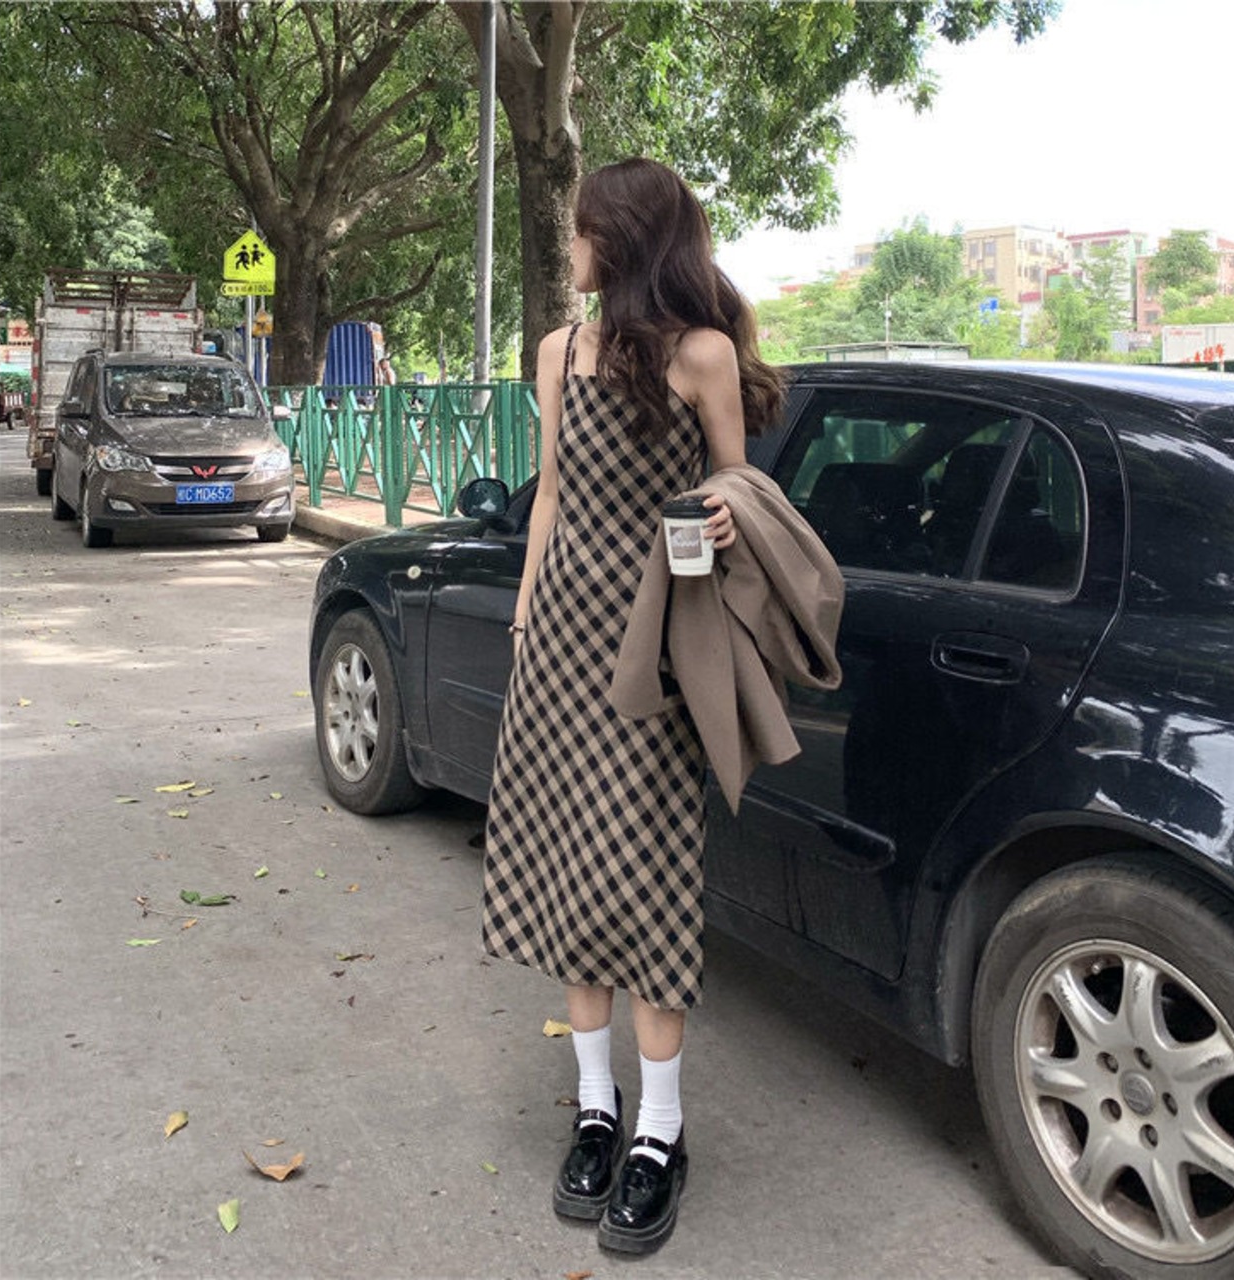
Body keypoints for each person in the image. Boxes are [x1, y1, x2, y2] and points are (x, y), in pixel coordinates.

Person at [480, 157, 786, 1256]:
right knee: (572, 867)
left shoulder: (702, 355)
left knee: (647, 877)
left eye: (580, 229)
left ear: (619, 238)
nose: (569, 247)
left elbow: (738, 487)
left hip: (655, 649)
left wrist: (719, 515)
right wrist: (524, 623)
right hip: (560, 644)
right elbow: (551, 497)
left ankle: (661, 1130)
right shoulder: (558, 351)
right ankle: (596, 1109)